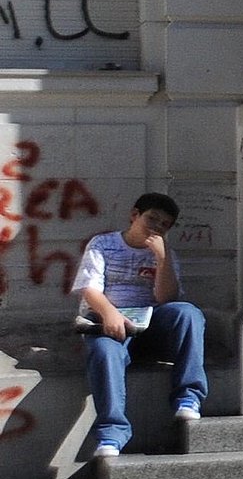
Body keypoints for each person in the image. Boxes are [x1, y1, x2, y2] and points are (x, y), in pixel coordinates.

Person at [73, 192, 207, 458]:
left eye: (164, 225)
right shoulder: (103, 244)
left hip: (149, 322)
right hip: (109, 322)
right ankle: (112, 434)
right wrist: (110, 314)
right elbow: (89, 288)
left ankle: (188, 397)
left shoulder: (165, 253)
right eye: (151, 219)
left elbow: (166, 298)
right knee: (104, 352)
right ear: (134, 215)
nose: (156, 227)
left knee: (189, 313)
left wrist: (162, 260)